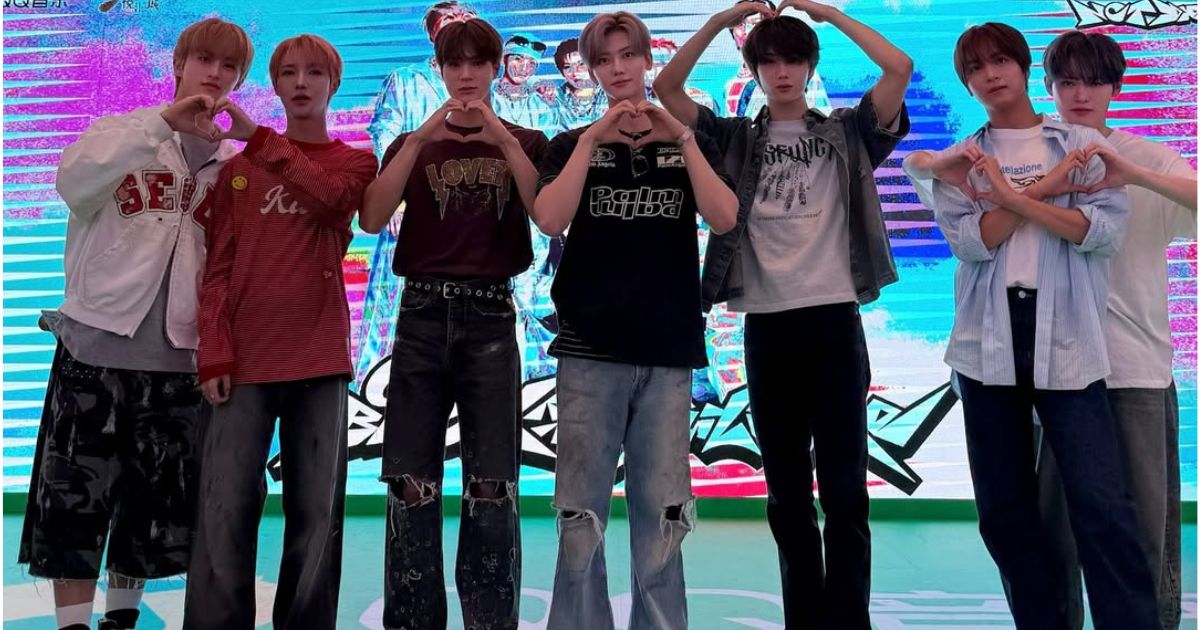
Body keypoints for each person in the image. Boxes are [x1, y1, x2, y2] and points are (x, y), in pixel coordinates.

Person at [655, 1, 910, 627]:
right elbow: (667, 89)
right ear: (755, 70)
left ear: (810, 65)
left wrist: (827, 14)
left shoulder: (847, 133)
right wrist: (719, 22)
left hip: (834, 322)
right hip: (767, 326)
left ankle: (848, 619)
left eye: (794, 59)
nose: (782, 71)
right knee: (787, 493)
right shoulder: (736, 139)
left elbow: (898, 67)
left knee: (845, 491)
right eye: (769, 61)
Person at [902, 21, 1161, 629]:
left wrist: (1011, 198)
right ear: (966, 83)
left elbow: (1099, 233)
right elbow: (973, 243)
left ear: (1023, 69)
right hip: (985, 343)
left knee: (1101, 504)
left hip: (1068, 336)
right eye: (975, 68)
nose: (990, 75)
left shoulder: (1081, 144)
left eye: (1001, 61)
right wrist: (1046, 191)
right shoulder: (962, 159)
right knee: (1004, 510)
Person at [16, 17, 253, 630]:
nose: (215, 74)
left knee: (152, 505)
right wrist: (162, 124)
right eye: (204, 60)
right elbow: (73, 183)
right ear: (178, 64)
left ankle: (121, 619)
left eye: (229, 67)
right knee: (73, 497)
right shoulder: (122, 131)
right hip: (93, 349)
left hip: (179, 359)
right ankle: (72, 623)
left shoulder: (234, 164)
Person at [533, 11, 738, 629]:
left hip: (668, 349)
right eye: (603, 60)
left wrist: (682, 139)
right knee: (580, 515)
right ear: (590, 70)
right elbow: (549, 218)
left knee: (664, 515)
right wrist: (593, 140)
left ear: (648, 60)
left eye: (628, 55)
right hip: (588, 350)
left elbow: (725, 216)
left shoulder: (685, 141)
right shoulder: (571, 143)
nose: (617, 69)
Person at [182, 34, 377, 630]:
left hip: (319, 359)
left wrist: (263, 141)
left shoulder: (355, 162)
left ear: (333, 84)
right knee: (223, 512)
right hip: (243, 363)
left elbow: (330, 202)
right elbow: (218, 267)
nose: (301, 83)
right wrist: (214, 352)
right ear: (274, 84)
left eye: (314, 73)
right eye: (288, 73)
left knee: (316, 516)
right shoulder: (238, 172)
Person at [358, 16, 547, 630]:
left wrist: (502, 137)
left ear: (495, 69)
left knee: (493, 483)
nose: (466, 75)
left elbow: (547, 217)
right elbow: (371, 218)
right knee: (409, 481)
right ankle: (413, 620)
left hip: (490, 315)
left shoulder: (526, 139)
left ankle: (490, 621)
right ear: (438, 71)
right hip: (420, 314)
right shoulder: (412, 144)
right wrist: (417, 139)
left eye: (477, 63)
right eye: (453, 64)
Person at [1029, 29, 1197, 630]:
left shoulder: (1150, 157)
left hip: (1134, 369)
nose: (1081, 94)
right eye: (1068, 81)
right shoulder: (1029, 156)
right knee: (1052, 535)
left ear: (1116, 88)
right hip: (1050, 368)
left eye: (1095, 81)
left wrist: (1134, 176)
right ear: (1048, 87)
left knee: (1143, 531)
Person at [357, 0, 480, 385]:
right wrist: (394, 198)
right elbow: (385, 135)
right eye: (448, 23)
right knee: (391, 305)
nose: (458, 28)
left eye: (465, 21)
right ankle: (372, 392)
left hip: (468, 219)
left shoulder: (482, 84)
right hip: (412, 210)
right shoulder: (406, 80)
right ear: (432, 35)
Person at [492, 32, 558, 133]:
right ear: (504, 60)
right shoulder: (487, 93)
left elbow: (548, 136)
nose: (524, 69)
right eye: (518, 59)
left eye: (532, 63)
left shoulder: (540, 102)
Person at [551, 37, 608, 130]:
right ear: (561, 72)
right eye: (568, 67)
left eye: (581, 64)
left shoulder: (611, 93)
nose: (575, 72)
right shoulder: (555, 98)